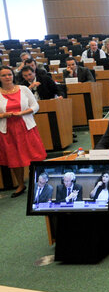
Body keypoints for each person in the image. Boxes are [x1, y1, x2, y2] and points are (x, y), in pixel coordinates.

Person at [0, 66, 46, 197]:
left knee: (34, 154)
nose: (7, 77)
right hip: (7, 130)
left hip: (26, 126)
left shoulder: (24, 89)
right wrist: (3, 115)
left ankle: (39, 182)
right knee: (14, 158)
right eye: (4, 75)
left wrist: (22, 113)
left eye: (9, 74)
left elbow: (35, 106)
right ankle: (21, 184)